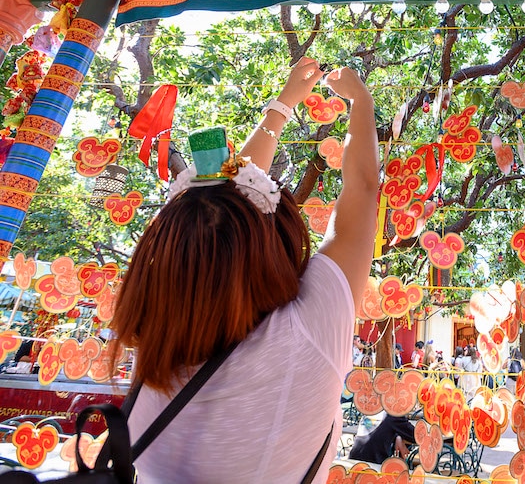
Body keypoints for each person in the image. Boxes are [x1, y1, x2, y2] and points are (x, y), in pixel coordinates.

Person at [110, 58, 379, 484]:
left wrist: (283, 104)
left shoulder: (156, 357)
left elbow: (224, 215)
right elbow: (362, 185)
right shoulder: (308, 333)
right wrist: (361, 101)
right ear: (269, 251)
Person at [347, 413, 416, 464]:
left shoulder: (372, 410)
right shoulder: (393, 414)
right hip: (372, 463)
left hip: (353, 458)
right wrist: (399, 436)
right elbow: (416, 436)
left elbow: (382, 427)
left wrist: (397, 437)